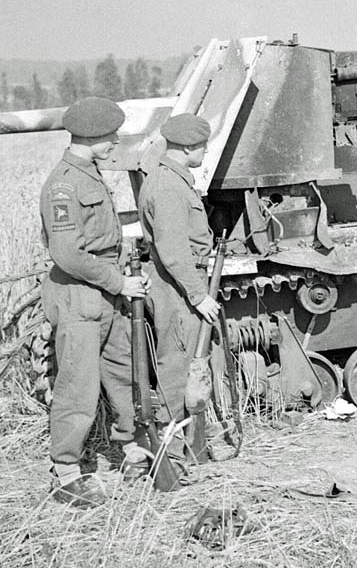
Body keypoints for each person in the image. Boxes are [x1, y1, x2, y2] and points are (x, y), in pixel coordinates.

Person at [39, 96, 150, 508]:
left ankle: (131, 451)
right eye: (109, 137)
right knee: (78, 386)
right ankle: (66, 471)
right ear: (88, 136)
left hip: (104, 290)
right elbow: (67, 254)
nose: (115, 142)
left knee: (122, 374)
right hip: (81, 293)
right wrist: (118, 283)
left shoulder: (90, 173)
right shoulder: (64, 185)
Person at [138, 114, 219, 469]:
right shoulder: (169, 186)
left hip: (178, 281)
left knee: (187, 365)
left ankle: (189, 449)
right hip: (177, 287)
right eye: (202, 145)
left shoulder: (167, 178)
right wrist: (199, 295)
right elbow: (173, 251)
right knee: (177, 367)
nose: (205, 150)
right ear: (187, 147)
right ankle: (171, 457)